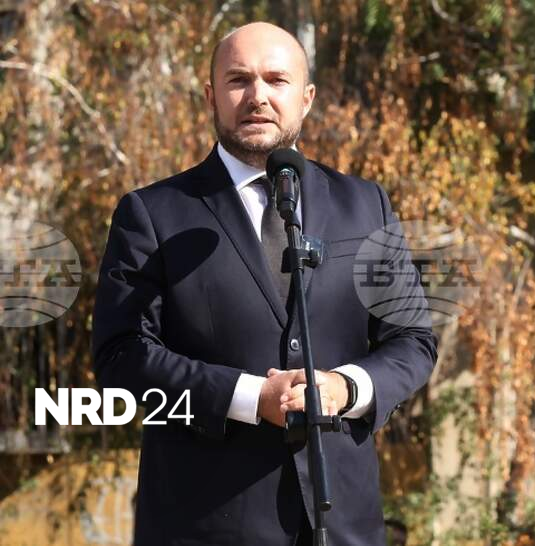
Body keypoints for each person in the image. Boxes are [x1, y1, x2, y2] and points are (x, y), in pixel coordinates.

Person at [92, 22, 437, 546]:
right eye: (238, 80)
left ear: (307, 98)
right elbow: (121, 356)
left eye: (277, 80)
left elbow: (412, 340)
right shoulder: (152, 213)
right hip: (204, 525)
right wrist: (251, 397)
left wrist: (345, 388)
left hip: (343, 525)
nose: (258, 96)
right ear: (210, 96)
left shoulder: (366, 206)